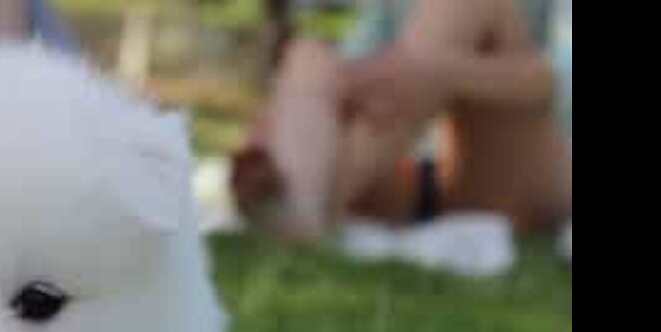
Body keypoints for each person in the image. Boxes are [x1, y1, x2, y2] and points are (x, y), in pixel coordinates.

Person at [231, 0, 572, 246]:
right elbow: (370, 85)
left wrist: (442, 72)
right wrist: (312, 94)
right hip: (433, 179)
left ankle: (296, 202)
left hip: (541, 174)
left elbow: (555, 84)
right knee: (309, 57)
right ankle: (298, 200)